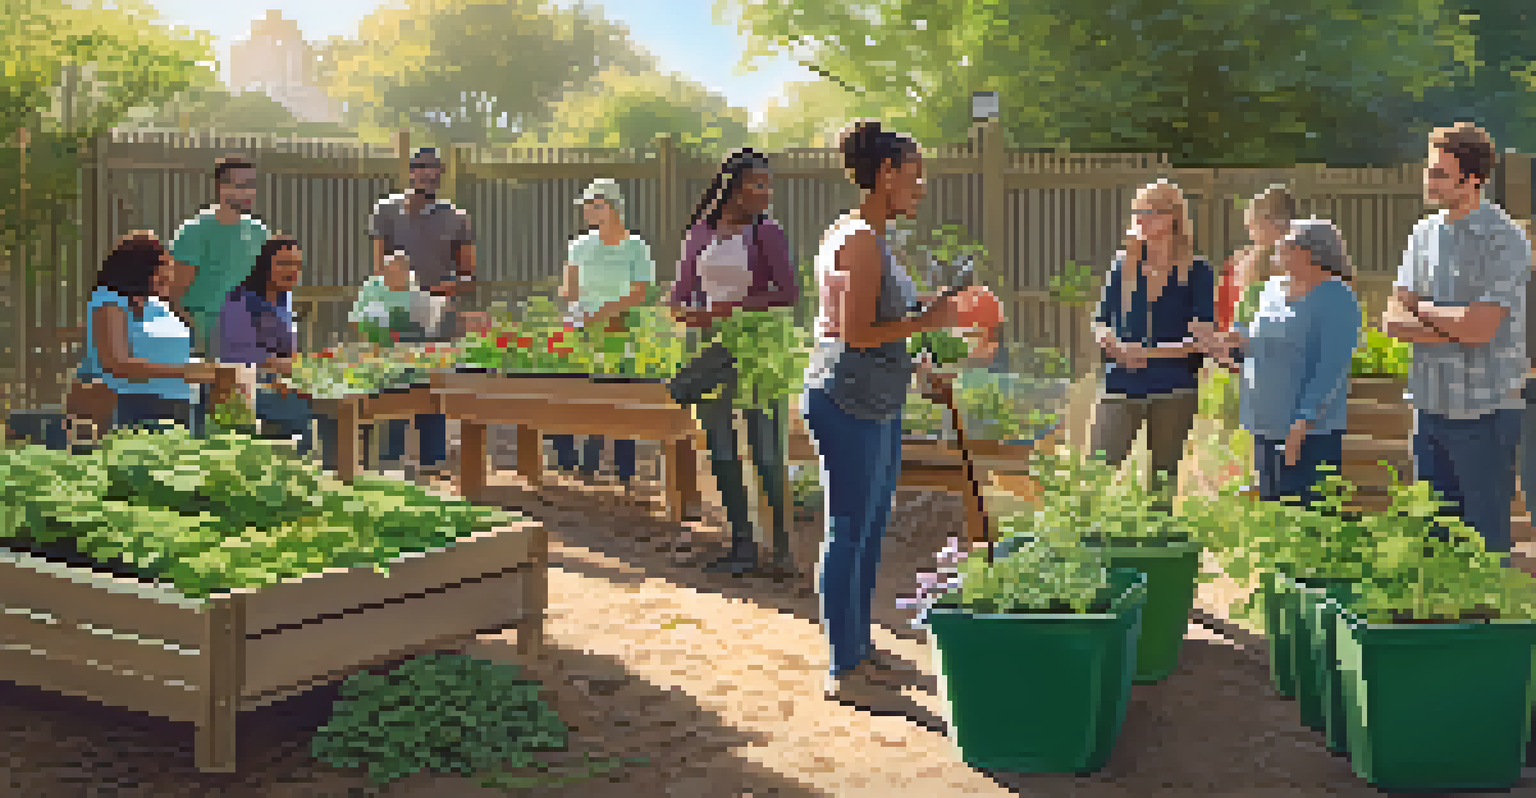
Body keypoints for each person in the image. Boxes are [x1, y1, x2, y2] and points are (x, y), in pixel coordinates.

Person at [803, 120, 978, 702]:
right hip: (846, 400)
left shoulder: (869, 237)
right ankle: (842, 670)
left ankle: (859, 652)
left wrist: (920, 353)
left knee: (870, 527)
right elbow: (855, 331)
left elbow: (883, 325)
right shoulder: (855, 239)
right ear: (884, 175)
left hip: (875, 399)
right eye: (914, 175)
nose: (921, 188)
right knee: (848, 527)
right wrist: (929, 321)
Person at [1384, 122, 1529, 560]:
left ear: (1474, 179)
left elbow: (1479, 329)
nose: (1429, 182)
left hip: (1485, 413)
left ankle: (1489, 627)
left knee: (1485, 547)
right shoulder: (1422, 235)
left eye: (1440, 174)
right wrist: (1452, 320)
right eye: (1429, 171)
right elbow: (1392, 320)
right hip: (1428, 407)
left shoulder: (1504, 240)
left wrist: (1422, 308)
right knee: (1433, 544)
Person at [669, 149, 799, 574]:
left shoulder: (767, 233)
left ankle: (780, 549)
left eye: (768, 184)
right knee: (721, 446)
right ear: (733, 186)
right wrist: (683, 309)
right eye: (756, 184)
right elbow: (681, 289)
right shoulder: (701, 233)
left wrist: (726, 311)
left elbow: (787, 293)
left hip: (760, 347)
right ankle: (742, 546)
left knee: (765, 450)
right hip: (711, 348)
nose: (765, 193)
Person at [1200, 219, 1360, 505]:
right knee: (1272, 516)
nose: (1277, 254)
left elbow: (1330, 370)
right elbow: (1261, 338)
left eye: (1286, 248)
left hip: (1308, 433)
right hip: (1264, 425)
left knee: (1306, 519)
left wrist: (1300, 426)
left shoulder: (1338, 297)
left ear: (1311, 253)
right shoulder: (1271, 290)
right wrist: (1228, 341)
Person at [1089, 179, 1215, 502]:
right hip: (1120, 387)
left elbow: (1201, 338)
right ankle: (1080, 546)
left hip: (1173, 389)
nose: (1140, 219)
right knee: (1092, 479)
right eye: (1137, 212)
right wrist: (1115, 347)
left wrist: (1146, 354)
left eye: (1150, 212)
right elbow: (1100, 322)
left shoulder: (1198, 271)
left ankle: (1156, 550)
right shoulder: (1123, 265)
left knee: (1161, 487)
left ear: (1173, 217)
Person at [367, 148, 476, 474]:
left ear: (441, 174)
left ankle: (432, 459)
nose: (427, 174)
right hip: (396, 313)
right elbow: (377, 267)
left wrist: (444, 290)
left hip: (438, 314)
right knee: (395, 383)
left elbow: (469, 273)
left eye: (433, 169)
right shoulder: (386, 212)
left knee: (434, 386)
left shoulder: (457, 217)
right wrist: (399, 296)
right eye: (420, 168)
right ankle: (390, 459)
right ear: (410, 172)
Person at [549, 178, 655, 483]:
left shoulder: (635, 247)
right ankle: (573, 461)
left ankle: (624, 470)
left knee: (618, 396)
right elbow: (568, 289)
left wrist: (602, 314)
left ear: (613, 208)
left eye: (595, 206)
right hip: (581, 327)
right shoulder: (579, 246)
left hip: (620, 328)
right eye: (586, 206)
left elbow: (638, 294)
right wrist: (573, 313)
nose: (588, 212)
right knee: (570, 392)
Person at [1196, 186, 1296, 488]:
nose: (1251, 231)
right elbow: (1227, 312)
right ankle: (1237, 484)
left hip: (1252, 362)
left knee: (1242, 431)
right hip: (1237, 359)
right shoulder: (1243, 263)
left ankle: (1245, 484)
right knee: (1231, 431)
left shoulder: (1287, 266)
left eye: (1253, 224)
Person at [86, 232, 236, 430]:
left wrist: (208, 369)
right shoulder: (111, 302)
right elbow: (115, 364)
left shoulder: (159, 305)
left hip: (180, 405)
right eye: (161, 269)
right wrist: (183, 372)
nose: (169, 276)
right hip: (131, 405)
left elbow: (168, 354)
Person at [217, 234, 315, 454]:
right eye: (283, 263)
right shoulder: (240, 299)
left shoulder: (284, 299)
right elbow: (236, 353)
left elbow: (288, 350)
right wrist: (278, 366)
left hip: (279, 386)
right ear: (265, 265)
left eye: (297, 265)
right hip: (244, 388)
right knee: (313, 412)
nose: (292, 270)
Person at [173, 155, 270, 358]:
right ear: (220, 187)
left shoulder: (259, 231)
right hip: (206, 331)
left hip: (248, 331)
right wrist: (192, 332)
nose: (247, 192)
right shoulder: (195, 230)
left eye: (251, 185)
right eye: (240, 185)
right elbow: (174, 291)